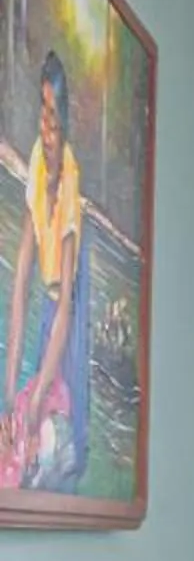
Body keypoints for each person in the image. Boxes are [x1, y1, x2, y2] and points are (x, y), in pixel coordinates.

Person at [3, 51, 89, 492]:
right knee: (20, 427)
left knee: (57, 448)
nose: (47, 131)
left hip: (66, 315)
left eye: (54, 121)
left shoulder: (70, 181)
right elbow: (18, 290)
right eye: (42, 115)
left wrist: (36, 402)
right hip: (46, 312)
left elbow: (66, 313)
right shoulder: (37, 161)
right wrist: (7, 399)